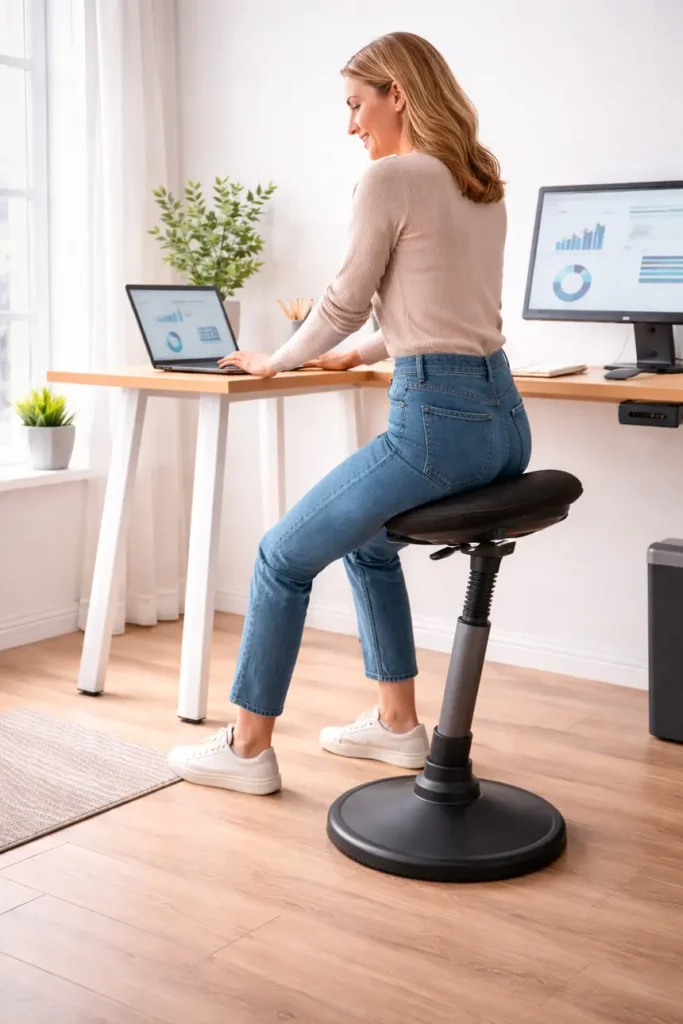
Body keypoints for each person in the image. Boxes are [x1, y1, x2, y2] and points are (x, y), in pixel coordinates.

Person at [168, 31, 531, 795]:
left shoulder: (391, 177)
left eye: (356, 105)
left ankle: (244, 751)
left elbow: (345, 298)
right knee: (367, 545)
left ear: (397, 93)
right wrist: (360, 357)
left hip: (434, 423)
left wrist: (278, 357)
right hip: (501, 422)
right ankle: (398, 728)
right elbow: (444, 305)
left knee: (279, 556)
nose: (350, 125)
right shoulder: (477, 178)